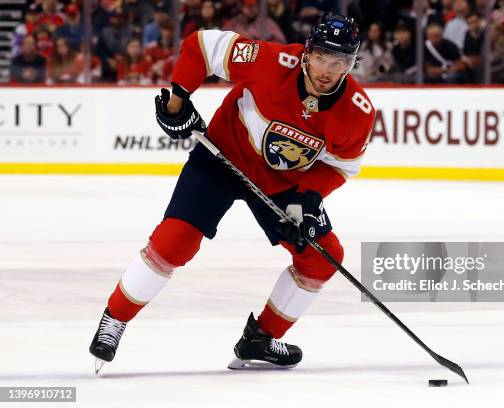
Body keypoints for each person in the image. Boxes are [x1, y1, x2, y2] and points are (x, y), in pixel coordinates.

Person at [89, 13, 375, 372]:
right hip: (223, 156)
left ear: (351, 63)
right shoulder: (272, 61)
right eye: (320, 57)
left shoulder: (357, 112)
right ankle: (115, 319)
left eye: (339, 62)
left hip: (281, 182)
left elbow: (340, 166)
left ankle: (260, 339)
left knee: (323, 256)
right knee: (175, 241)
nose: (326, 70)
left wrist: (308, 201)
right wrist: (177, 102)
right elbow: (200, 47)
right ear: (306, 53)